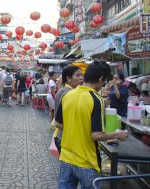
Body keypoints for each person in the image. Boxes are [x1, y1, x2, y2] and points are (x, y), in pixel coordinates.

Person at [55, 61, 129, 189]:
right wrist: (117, 134)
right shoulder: (96, 99)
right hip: (87, 163)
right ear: (101, 78)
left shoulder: (68, 95)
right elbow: (96, 135)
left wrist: (77, 131)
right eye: (104, 81)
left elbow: (57, 123)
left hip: (66, 158)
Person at [53, 66, 84, 153]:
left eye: (81, 75)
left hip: (61, 135)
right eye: (78, 75)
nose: (81, 78)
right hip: (66, 137)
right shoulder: (69, 93)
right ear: (68, 78)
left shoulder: (62, 90)